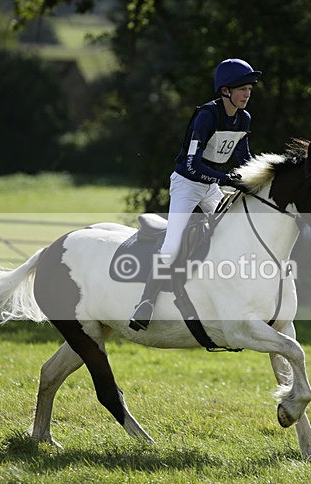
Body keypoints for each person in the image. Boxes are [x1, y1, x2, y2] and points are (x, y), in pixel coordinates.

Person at [129, 58, 261, 331]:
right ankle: (146, 303)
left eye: (249, 89)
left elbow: (243, 157)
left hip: (211, 185)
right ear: (225, 91)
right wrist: (226, 178)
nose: (247, 94)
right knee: (172, 244)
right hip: (187, 185)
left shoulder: (243, 118)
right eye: (242, 89)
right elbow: (191, 164)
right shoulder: (207, 116)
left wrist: (255, 179)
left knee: (232, 234)